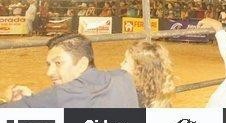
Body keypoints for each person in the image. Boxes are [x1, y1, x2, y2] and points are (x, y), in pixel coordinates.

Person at [1, 33, 138, 108]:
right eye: (49, 64)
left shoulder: (60, 95)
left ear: (82, 64)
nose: (49, 72)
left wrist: (9, 101)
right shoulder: (123, 77)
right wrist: (34, 98)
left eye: (58, 63)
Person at [120, 41, 175, 107]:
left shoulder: (133, 98)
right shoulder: (158, 94)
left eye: (126, 61)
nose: (121, 64)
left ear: (139, 70)